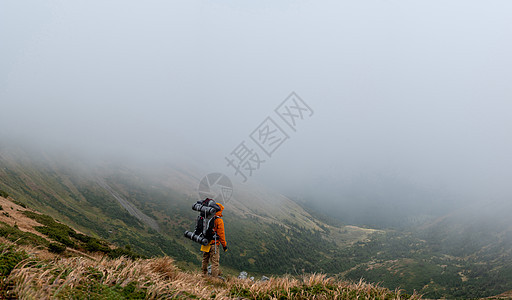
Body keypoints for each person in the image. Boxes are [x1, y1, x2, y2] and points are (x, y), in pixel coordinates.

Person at [201, 202, 227, 277]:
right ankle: (214, 279)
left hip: (205, 241)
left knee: (205, 259)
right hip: (214, 244)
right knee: (215, 262)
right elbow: (221, 235)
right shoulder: (219, 220)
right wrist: (224, 246)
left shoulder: (207, 217)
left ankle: (203, 275)